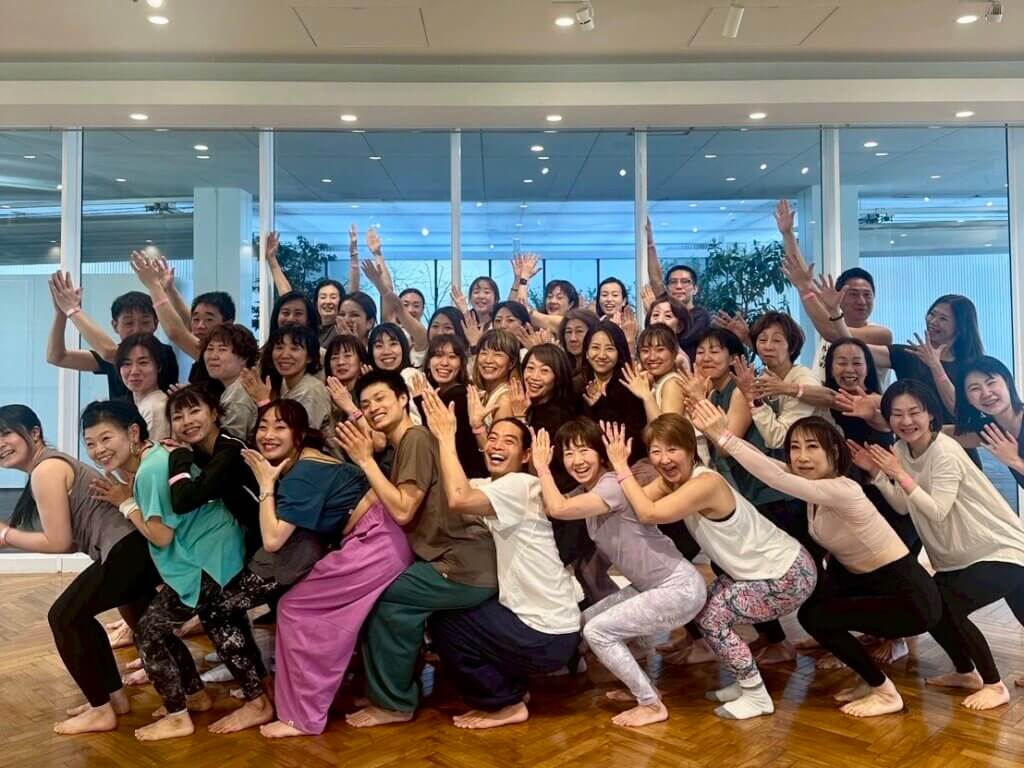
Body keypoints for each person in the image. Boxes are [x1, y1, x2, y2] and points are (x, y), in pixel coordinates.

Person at [690, 402, 942, 718]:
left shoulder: (843, 489)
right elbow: (771, 465)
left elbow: (775, 477)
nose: (801, 456)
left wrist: (724, 437)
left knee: (818, 617)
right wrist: (721, 437)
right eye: (794, 448)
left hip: (908, 597)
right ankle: (870, 680)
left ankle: (885, 692)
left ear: (834, 452)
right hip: (879, 587)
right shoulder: (816, 488)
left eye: (812, 447)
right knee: (815, 614)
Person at [610, 414, 816, 720]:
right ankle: (745, 682)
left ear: (690, 449)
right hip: (761, 572)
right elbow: (633, 503)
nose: (664, 459)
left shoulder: (705, 483)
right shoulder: (675, 481)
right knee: (703, 608)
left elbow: (649, 512)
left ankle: (757, 696)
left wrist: (620, 466)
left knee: (714, 618)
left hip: (787, 574)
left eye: (672, 449)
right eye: (655, 451)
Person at [194, 400, 371, 735]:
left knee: (217, 610)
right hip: (313, 549)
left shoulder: (304, 471)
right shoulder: (300, 461)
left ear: (299, 434)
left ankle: (259, 700)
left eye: (280, 427)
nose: (268, 434)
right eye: (263, 426)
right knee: (222, 606)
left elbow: (274, 540)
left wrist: (265, 484)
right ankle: (264, 691)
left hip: (321, 553)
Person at [334, 370, 497, 728]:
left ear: (403, 399)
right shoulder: (404, 444)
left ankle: (394, 703)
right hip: (456, 560)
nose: (373, 408)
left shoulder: (415, 439)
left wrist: (365, 461)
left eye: (380, 398)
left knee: (387, 599)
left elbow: (404, 509)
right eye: (365, 404)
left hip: (464, 565)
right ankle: (390, 690)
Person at [81, 399, 246, 741]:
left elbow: (160, 535)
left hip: (208, 560)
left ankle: (177, 717)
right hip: (212, 553)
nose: (98, 450)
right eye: (90, 443)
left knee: (148, 633)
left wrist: (125, 503)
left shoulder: (150, 469)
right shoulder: (153, 456)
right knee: (157, 629)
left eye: (106, 438)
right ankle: (195, 696)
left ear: (133, 432)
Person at [858, 380, 1024, 711]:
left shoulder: (945, 451)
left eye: (914, 412)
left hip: (997, 549)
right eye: (897, 414)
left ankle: (994, 685)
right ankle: (966, 673)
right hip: (957, 557)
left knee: (947, 606)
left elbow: (937, 510)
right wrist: (878, 474)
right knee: (930, 607)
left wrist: (898, 473)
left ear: (931, 414)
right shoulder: (901, 450)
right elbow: (904, 505)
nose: (906, 421)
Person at [421, 390, 581, 730]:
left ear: (526, 456)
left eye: (509, 441)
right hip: (546, 628)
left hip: (548, 635)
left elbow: (459, 498)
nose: (496, 445)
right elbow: (455, 484)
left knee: (446, 620)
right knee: (470, 605)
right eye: (493, 439)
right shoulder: (497, 484)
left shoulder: (521, 485)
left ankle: (503, 702)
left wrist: (447, 437)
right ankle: (511, 688)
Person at [534, 416, 706, 728]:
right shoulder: (589, 489)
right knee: (583, 621)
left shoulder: (611, 486)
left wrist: (542, 468)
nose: (577, 460)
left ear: (601, 454)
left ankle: (651, 704)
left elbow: (558, 508)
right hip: (649, 587)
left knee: (597, 632)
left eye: (584, 450)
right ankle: (640, 682)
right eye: (569, 453)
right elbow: (551, 504)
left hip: (678, 588)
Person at [0, 404, 159, 735]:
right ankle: (113, 698)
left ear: (34, 433)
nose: (0, 444)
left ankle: (102, 710)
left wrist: (5, 535)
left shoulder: (47, 469)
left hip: (128, 549)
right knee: (77, 617)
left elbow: (58, 543)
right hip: (127, 549)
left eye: (5, 434)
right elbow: (71, 541)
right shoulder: (48, 467)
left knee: (64, 617)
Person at [775, 199, 892, 381]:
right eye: (853, 294)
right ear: (839, 297)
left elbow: (833, 332)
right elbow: (801, 274)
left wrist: (805, 288)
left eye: (867, 295)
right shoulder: (828, 319)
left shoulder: (881, 334)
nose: (861, 301)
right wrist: (788, 234)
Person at [46, 272, 178, 399]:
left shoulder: (164, 352)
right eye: (129, 323)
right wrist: (61, 313)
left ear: (156, 324)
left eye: (145, 322)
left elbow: (110, 353)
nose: (137, 329)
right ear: (115, 326)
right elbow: (57, 357)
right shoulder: (112, 353)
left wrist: (72, 310)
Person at [165, 385, 262, 558]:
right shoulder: (200, 453)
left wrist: (179, 454)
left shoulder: (230, 450)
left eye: (194, 411)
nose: (187, 421)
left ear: (214, 414)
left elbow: (183, 501)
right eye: (178, 417)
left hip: (279, 534)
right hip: (251, 536)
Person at [129, 247, 235, 384]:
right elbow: (187, 322)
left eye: (209, 319)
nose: (200, 325)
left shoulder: (222, 351)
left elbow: (176, 333)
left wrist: (153, 286)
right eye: (196, 319)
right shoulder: (207, 344)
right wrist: (169, 288)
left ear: (228, 323)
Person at [265, 228, 361, 347]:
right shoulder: (309, 326)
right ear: (316, 302)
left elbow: (354, 295)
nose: (327, 301)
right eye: (323, 297)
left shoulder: (342, 328)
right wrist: (271, 259)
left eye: (333, 297)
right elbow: (288, 296)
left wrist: (354, 255)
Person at [246, 325, 332, 445]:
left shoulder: (311, 390)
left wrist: (263, 402)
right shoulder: (284, 385)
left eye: (294, 349)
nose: (285, 355)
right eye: (279, 348)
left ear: (310, 357)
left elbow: (295, 439)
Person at [416, 333, 487, 479]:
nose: (444, 363)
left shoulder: (459, 396)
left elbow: (436, 439)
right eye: (438, 355)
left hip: (466, 478)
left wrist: (420, 401)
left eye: (452, 357)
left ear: (461, 364)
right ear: (428, 362)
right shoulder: (442, 394)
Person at [582, 321, 647, 466]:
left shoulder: (630, 385)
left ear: (619, 353)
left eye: (610, 349)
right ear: (586, 352)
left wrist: (600, 406)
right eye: (595, 348)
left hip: (629, 463)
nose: (602, 355)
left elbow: (634, 439)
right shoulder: (578, 385)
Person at [955, 355, 1024, 488]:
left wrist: (1014, 460)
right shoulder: (990, 429)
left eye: (991, 383)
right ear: (967, 399)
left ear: (1007, 382)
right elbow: (943, 433)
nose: (986, 393)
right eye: (975, 389)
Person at [645, 220, 711, 357]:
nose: (679, 286)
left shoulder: (700, 315)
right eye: (673, 282)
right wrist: (650, 243)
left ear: (695, 289)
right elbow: (656, 280)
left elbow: (681, 340)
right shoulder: (663, 307)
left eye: (685, 282)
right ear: (667, 288)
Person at [199, 323, 260, 442]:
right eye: (210, 349)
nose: (213, 356)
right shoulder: (237, 387)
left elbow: (231, 446)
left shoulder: (238, 396)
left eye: (222, 349)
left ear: (244, 358)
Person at [468, 329, 521, 446]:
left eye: (498, 354)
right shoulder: (485, 393)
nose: (488, 360)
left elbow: (497, 451)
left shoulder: (505, 400)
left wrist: (478, 427)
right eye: (484, 353)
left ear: (511, 363)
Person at [115, 333, 170, 441]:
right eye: (127, 364)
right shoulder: (137, 406)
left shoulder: (156, 408)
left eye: (143, 363)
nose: (134, 371)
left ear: (159, 366)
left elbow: (155, 451)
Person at [559, 308, 600, 394]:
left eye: (579, 331)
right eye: (568, 332)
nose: (573, 338)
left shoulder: (598, 372)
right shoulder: (564, 368)